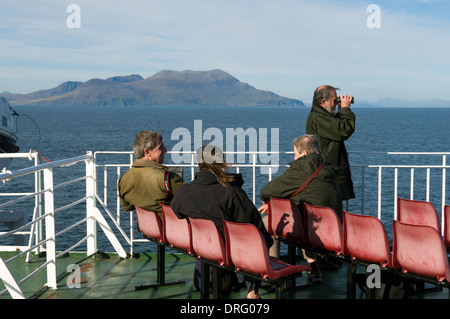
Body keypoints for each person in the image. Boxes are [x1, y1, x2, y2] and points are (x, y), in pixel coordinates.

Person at [171, 145, 273, 299]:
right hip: (229, 251)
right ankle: (253, 288)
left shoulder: (184, 192)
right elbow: (252, 223)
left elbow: (176, 211)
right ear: (222, 163)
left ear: (199, 164)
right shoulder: (230, 191)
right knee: (258, 238)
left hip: (202, 248)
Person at [258, 134, 342, 283]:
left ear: (304, 153)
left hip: (308, 231)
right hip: (332, 232)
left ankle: (275, 269)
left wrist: (271, 205)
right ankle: (313, 267)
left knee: (268, 221)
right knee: (308, 216)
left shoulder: (301, 169)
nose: (294, 157)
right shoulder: (327, 168)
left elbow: (267, 190)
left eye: (295, 153)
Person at [306, 85, 356, 201]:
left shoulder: (322, 115)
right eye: (335, 100)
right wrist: (345, 110)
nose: (337, 103)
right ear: (324, 102)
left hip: (329, 173)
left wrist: (341, 110)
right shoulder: (317, 118)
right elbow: (343, 130)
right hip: (327, 174)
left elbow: (336, 125)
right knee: (331, 213)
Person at [118, 130, 184, 215]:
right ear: (147, 152)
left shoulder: (124, 178)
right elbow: (189, 201)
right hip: (170, 226)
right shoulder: (167, 178)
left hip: (146, 227)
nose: (165, 150)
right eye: (161, 147)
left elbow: (127, 207)